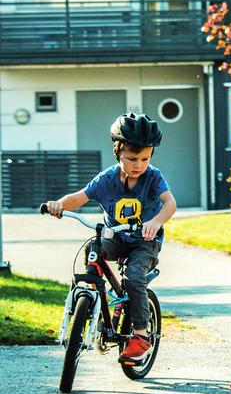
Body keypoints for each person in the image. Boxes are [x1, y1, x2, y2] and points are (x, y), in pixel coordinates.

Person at [45, 112, 176, 363]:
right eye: (132, 158)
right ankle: (93, 298)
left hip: (145, 241)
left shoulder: (153, 177)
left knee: (135, 277)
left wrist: (156, 221)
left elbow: (169, 204)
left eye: (144, 158)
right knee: (94, 250)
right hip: (114, 237)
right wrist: (59, 204)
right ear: (118, 152)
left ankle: (140, 335)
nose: (138, 164)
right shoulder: (107, 178)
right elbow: (81, 197)